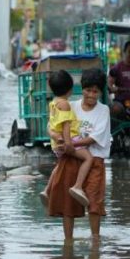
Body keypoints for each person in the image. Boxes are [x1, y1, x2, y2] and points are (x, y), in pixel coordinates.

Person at [39, 70, 93, 208]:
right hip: (68, 141)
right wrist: (69, 143)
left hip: (56, 144)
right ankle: (78, 186)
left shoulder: (54, 103)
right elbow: (65, 125)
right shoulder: (65, 104)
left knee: (59, 166)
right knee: (88, 158)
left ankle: (47, 191)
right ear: (70, 88)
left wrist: (56, 137)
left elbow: (52, 124)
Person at [71, 68, 111, 240]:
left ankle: (95, 239)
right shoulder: (71, 107)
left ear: (101, 92)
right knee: (70, 202)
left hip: (95, 161)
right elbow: (58, 126)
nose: (91, 95)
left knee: (94, 201)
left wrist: (70, 143)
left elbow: (94, 138)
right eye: (88, 90)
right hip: (74, 159)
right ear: (82, 88)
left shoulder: (103, 110)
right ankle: (68, 240)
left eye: (95, 91)